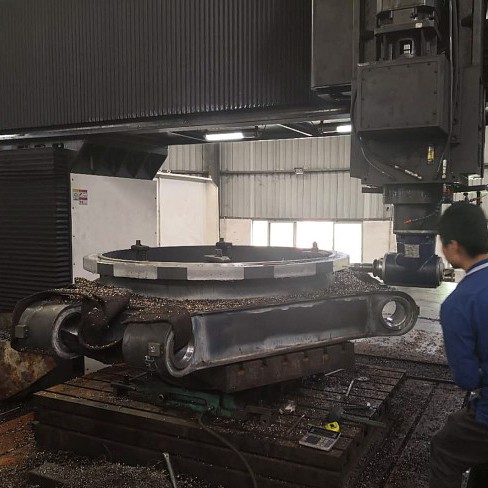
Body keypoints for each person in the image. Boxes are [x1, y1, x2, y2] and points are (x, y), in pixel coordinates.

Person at [430, 201, 488, 488]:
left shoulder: (459, 304)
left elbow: (466, 379)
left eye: (442, 244)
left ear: (453, 246)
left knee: (444, 449)